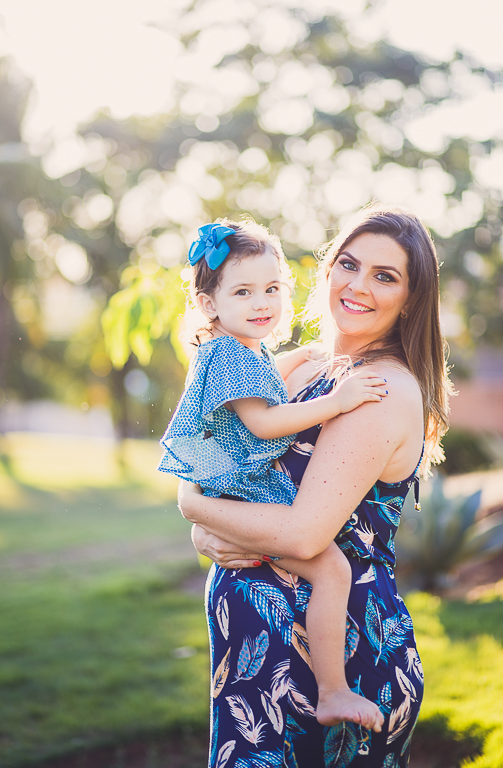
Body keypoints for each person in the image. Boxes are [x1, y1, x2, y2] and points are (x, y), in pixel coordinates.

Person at [178, 206, 453, 767]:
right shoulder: (306, 369)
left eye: (385, 275)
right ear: (327, 269)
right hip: (257, 656)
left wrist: (193, 508)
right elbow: (223, 457)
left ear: (411, 299)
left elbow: (304, 536)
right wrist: (205, 531)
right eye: (348, 264)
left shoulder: (380, 388)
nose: (357, 285)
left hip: (333, 657)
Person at [159, 219, 386, 732]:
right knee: (330, 569)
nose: (262, 302)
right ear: (209, 304)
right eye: (243, 291)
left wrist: (297, 357)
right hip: (244, 487)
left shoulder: (237, 347)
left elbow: (258, 388)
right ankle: (334, 692)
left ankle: (328, 687)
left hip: (230, 482)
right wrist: (337, 400)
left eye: (272, 288)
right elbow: (261, 421)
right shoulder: (229, 354)